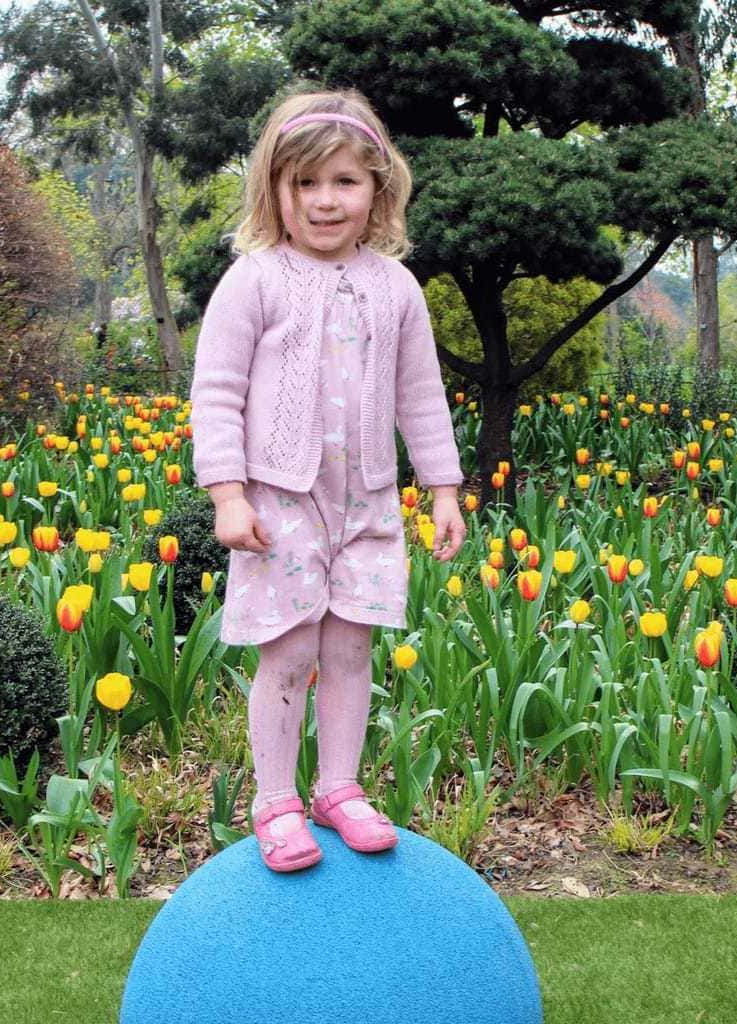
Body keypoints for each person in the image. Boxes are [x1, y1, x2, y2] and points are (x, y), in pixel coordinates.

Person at [189, 84, 466, 872]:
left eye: (344, 181)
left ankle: (338, 789)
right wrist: (228, 495)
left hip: (370, 502)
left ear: (378, 187)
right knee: (287, 654)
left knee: (349, 651)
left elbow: (421, 395)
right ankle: (275, 800)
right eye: (303, 183)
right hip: (279, 502)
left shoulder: (396, 287)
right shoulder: (255, 280)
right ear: (274, 190)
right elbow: (215, 392)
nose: (324, 200)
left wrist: (442, 490)